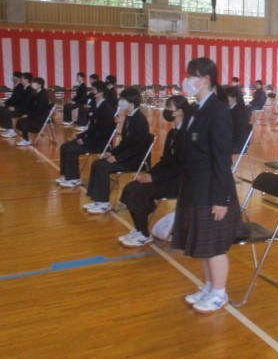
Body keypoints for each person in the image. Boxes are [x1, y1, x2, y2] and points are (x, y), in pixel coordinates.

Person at [172, 57, 246, 314]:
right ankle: (209, 286)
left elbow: (222, 160)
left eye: (190, 76)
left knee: (213, 246)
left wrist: (220, 199)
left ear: (205, 80)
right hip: (194, 187)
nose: (185, 80)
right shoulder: (195, 109)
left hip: (212, 191)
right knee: (202, 244)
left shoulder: (218, 111)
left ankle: (219, 293)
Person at [117, 95, 189, 247]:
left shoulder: (186, 134)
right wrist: (149, 173)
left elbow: (180, 166)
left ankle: (144, 235)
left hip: (179, 181)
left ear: (179, 111)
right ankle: (139, 229)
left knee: (140, 192)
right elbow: (165, 160)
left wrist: (154, 178)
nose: (166, 110)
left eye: (169, 107)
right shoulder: (172, 132)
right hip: (165, 176)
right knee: (131, 187)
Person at [83, 87, 151, 214]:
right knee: (97, 163)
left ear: (131, 101)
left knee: (103, 167)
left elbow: (137, 148)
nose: (120, 101)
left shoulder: (140, 120)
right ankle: (97, 199)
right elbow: (124, 143)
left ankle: (104, 203)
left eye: (123, 99)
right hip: (126, 156)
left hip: (134, 160)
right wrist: (112, 152)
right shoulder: (129, 117)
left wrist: (117, 158)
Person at [57, 81, 116, 188]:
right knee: (65, 146)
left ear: (100, 93)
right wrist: (79, 136)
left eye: (93, 90)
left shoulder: (106, 109)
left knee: (72, 149)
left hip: (100, 143)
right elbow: (92, 128)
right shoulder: (97, 106)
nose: (91, 92)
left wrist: (85, 140)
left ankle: (74, 179)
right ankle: (66, 175)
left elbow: (103, 133)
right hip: (92, 139)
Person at [14, 77, 50, 146]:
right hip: (35, 114)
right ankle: (26, 139)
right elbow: (32, 106)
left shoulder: (43, 95)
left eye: (35, 83)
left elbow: (40, 109)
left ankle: (26, 140)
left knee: (24, 121)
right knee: (21, 119)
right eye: (33, 82)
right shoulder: (36, 93)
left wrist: (29, 115)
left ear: (39, 85)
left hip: (40, 116)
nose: (32, 84)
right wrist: (26, 113)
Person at [0, 72, 34, 138]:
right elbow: (20, 101)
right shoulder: (24, 88)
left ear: (26, 80)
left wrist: (15, 108)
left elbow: (26, 104)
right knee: (3, 109)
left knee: (6, 112)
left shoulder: (29, 89)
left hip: (26, 111)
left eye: (22, 78)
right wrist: (13, 106)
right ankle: (8, 129)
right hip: (21, 108)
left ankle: (11, 131)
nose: (20, 79)